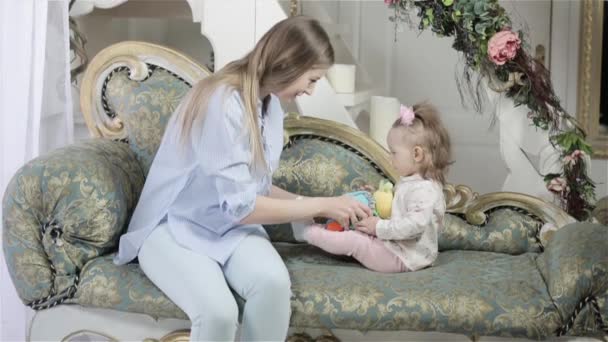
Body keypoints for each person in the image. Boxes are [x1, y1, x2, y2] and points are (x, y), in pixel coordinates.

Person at [113, 16, 371, 342]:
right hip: (171, 227)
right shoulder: (222, 102)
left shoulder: (271, 105)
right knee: (218, 314)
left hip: (225, 226)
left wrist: (318, 208)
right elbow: (242, 207)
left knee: (273, 285)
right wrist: (320, 204)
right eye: (313, 78)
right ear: (290, 63)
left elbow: (254, 190)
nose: (311, 89)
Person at [293, 102, 452, 273]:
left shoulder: (425, 190)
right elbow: (399, 205)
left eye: (393, 152)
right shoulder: (412, 182)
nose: (390, 158)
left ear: (417, 154)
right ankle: (323, 230)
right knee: (358, 228)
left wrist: (378, 227)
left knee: (356, 242)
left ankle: (307, 233)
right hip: (395, 247)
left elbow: (413, 226)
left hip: (404, 258)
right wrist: (376, 195)